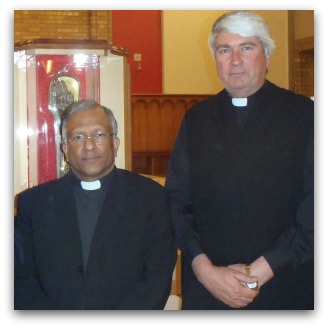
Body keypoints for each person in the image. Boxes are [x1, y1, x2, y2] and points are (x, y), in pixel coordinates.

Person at [165, 10, 314, 310]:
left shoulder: (306, 116)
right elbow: (176, 201)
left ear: (267, 56)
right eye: (224, 50)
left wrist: (259, 271)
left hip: (285, 284)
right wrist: (203, 269)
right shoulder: (197, 119)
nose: (235, 60)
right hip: (209, 288)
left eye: (247, 47)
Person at [14, 100, 177, 310]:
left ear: (115, 144)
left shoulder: (151, 198)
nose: (89, 146)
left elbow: (157, 277)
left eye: (99, 135)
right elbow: (19, 279)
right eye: (78, 137)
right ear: (65, 148)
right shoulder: (33, 204)